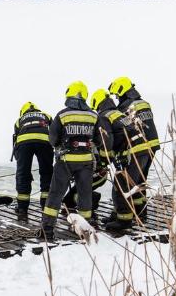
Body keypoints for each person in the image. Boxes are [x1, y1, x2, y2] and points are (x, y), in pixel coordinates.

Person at [41, 81, 101, 241]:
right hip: (86, 163)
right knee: (85, 195)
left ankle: (47, 230)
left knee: (55, 194)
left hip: (65, 161)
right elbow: (99, 140)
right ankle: (85, 229)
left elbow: (52, 139)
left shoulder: (62, 115)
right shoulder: (94, 116)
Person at [108, 76, 160, 222]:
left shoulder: (126, 107)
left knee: (128, 182)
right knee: (140, 181)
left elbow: (123, 131)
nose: (117, 98)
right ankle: (141, 213)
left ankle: (124, 216)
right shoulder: (144, 103)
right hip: (152, 145)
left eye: (117, 95)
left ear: (122, 90)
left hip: (138, 148)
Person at [89, 89, 137, 228]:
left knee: (120, 185)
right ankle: (117, 215)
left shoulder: (103, 116)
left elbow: (107, 140)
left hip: (128, 154)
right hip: (138, 152)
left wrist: (104, 161)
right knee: (126, 183)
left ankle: (123, 220)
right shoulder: (118, 113)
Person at [12, 101, 54, 222]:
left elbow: (16, 138)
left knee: (23, 174)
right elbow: (54, 129)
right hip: (44, 142)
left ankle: (22, 210)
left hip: (24, 143)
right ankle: (46, 206)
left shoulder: (19, 120)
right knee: (46, 172)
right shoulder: (46, 115)